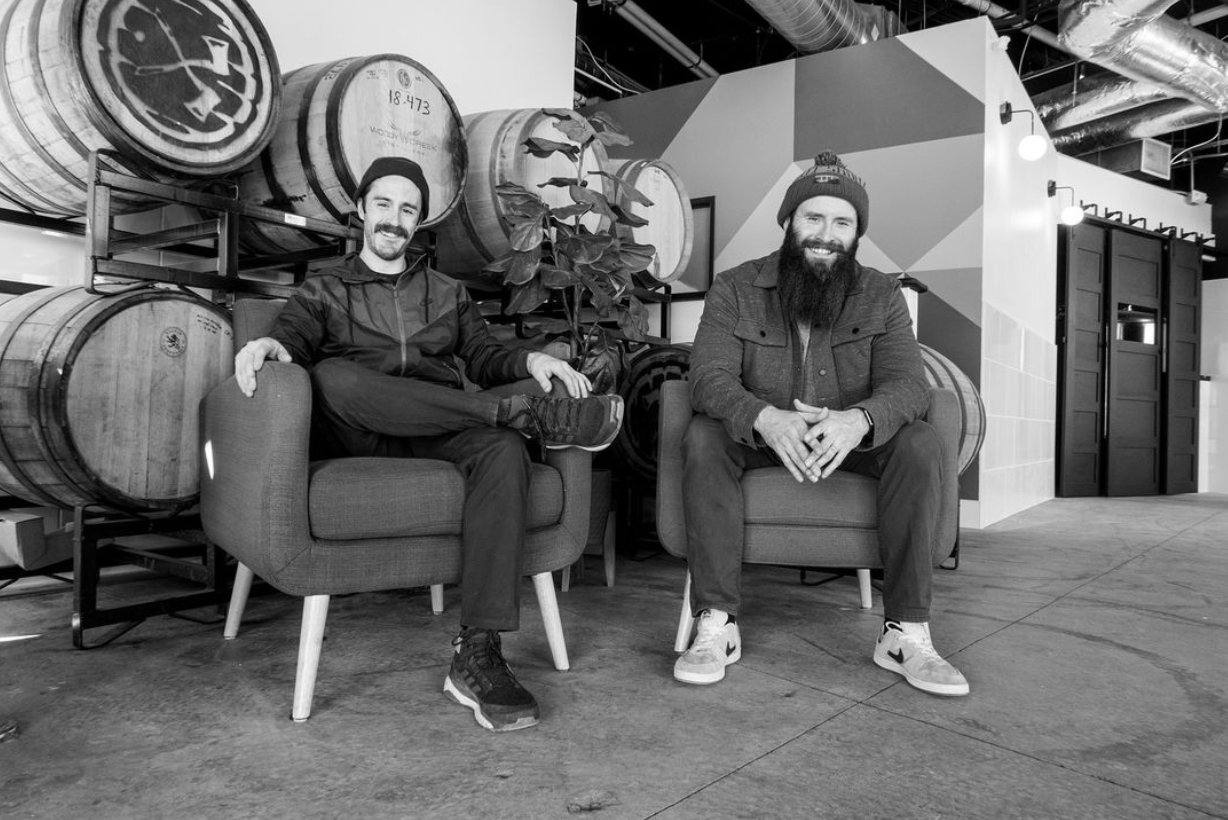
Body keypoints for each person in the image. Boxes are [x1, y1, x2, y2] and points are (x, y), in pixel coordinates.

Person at [234, 156, 625, 732]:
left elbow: (486, 357)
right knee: (333, 377)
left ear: (418, 222)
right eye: (384, 204)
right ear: (363, 210)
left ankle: (478, 650)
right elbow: (291, 340)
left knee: (501, 450)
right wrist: (269, 348)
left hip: (438, 426)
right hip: (359, 431)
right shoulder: (323, 289)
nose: (395, 219)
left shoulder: (446, 292)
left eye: (408, 208)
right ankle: (514, 415)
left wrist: (533, 358)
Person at [674, 151, 968, 697]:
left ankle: (906, 632)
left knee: (921, 442)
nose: (826, 235)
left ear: (856, 233)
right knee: (702, 435)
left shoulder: (881, 293)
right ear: (789, 221)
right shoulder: (734, 286)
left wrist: (859, 420)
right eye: (813, 217)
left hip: (848, 440)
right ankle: (716, 623)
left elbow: (908, 384)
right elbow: (707, 376)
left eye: (842, 222)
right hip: (763, 438)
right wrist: (764, 416)